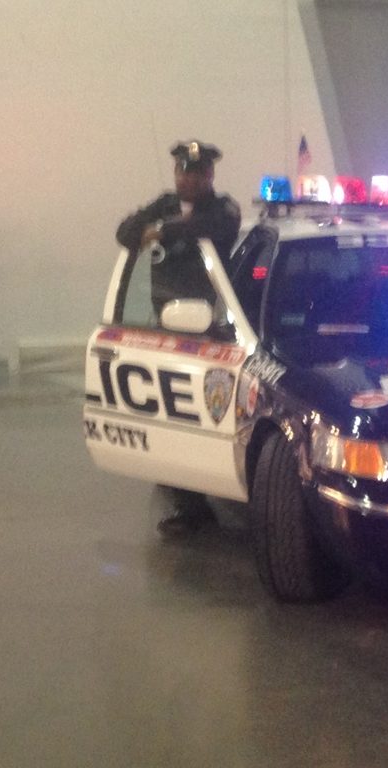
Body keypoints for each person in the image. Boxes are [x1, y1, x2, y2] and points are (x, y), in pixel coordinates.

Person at [116, 140, 241, 537]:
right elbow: (126, 233)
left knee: (199, 419)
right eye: (184, 171)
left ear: (210, 175)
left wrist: (163, 230)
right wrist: (149, 227)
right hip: (164, 329)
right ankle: (185, 501)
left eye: (198, 173)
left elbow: (214, 228)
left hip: (207, 329)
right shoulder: (164, 204)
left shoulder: (222, 210)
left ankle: (197, 505)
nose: (189, 179)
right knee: (168, 421)